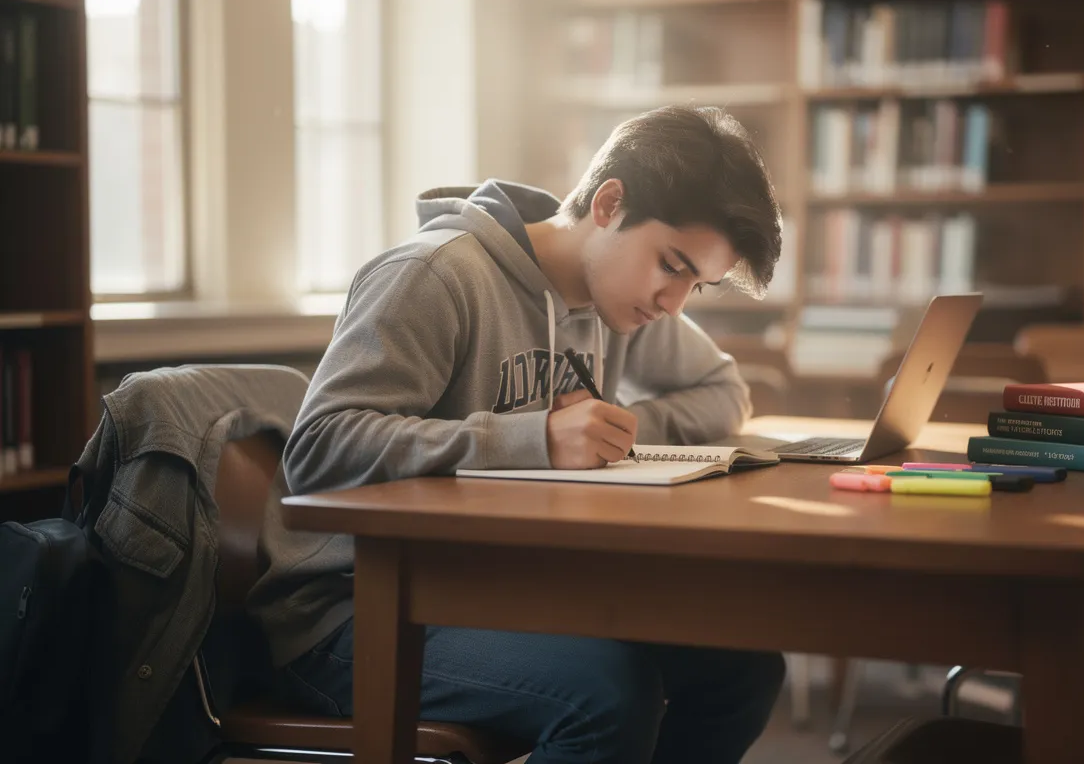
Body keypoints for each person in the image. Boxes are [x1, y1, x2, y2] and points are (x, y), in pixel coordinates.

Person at [250, 105, 786, 764]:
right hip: (351, 614)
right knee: (608, 695)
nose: (674, 302)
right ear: (610, 203)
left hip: (494, 586)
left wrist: (617, 431)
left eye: (696, 285)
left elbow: (724, 391)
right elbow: (318, 450)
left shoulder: (614, 301)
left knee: (744, 668)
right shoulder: (435, 273)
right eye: (672, 266)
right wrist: (536, 439)